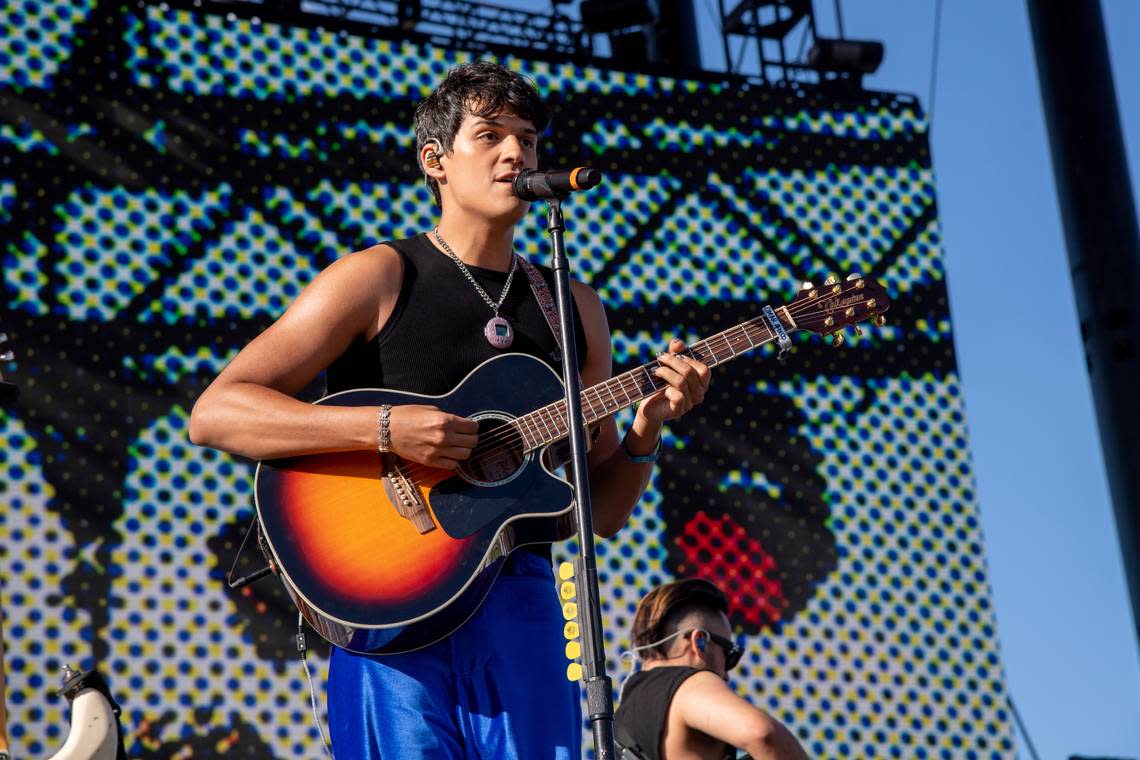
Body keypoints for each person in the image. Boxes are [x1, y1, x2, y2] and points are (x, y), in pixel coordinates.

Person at [188, 61, 711, 759]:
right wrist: (385, 428)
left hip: (520, 610)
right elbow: (216, 412)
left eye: (527, 139)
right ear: (435, 160)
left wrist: (647, 430)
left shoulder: (574, 307)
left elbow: (603, 510)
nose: (515, 153)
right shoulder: (378, 276)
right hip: (388, 612)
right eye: (489, 135)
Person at [615, 579, 810, 760]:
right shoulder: (686, 683)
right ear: (699, 642)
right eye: (729, 654)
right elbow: (760, 733)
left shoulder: (624, 717)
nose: (726, 673)